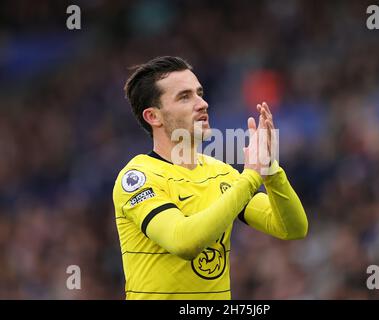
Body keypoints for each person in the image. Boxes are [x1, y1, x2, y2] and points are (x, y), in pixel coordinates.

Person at [112, 56, 308, 300]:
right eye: (185, 97)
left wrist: (271, 172)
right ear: (154, 117)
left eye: (199, 93)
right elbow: (184, 241)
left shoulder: (221, 173)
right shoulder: (138, 177)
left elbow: (293, 228)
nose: (202, 103)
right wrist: (250, 177)